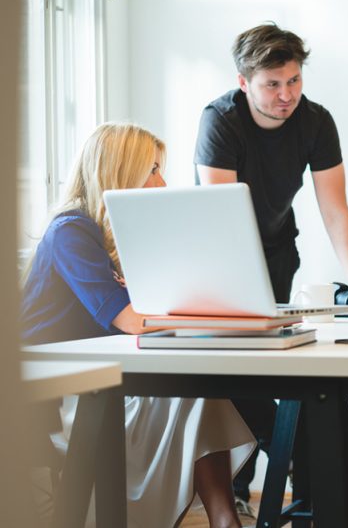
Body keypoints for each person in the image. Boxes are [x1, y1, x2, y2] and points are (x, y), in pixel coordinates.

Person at [21, 122, 256, 528]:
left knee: (199, 394)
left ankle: (224, 520)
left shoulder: (110, 235)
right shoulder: (71, 232)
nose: (161, 182)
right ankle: (225, 520)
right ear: (119, 170)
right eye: (152, 169)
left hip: (100, 377)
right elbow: (131, 320)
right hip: (60, 394)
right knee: (193, 395)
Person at [194, 22, 348, 516]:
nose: (286, 94)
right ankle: (279, 468)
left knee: (267, 367)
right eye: (273, 84)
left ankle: (302, 477)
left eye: (293, 80)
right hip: (220, 255)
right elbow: (221, 215)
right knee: (233, 373)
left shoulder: (317, 121)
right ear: (244, 80)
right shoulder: (220, 120)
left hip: (276, 251)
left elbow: (335, 210)